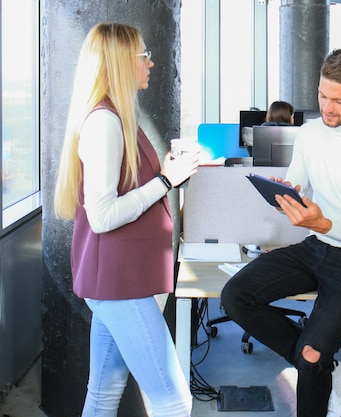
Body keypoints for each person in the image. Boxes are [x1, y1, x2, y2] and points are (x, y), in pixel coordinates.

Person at [221, 48, 341, 417]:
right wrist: (283, 196)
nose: (328, 107)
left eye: (339, 100)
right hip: (319, 244)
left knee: (311, 354)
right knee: (236, 296)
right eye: (322, 95)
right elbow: (297, 187)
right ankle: (327, 370)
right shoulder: (309, 133)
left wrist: (321, 223)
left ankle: (316, 363)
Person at [54, 22, 199, 416]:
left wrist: (165, 172)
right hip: (121, 282)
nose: (151, 63)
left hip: (121, 279)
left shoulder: (117, 115)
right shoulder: (105, 122)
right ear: (122, 62)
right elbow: (102, 216)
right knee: (174, 401)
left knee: (104, 391)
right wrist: (167, 180)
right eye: (144, 55)